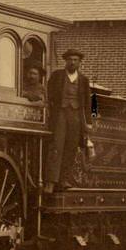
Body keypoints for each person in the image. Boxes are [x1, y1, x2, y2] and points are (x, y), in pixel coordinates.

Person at [43, 48, 90, 193]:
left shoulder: (84, 80)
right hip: (60, 114)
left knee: (71, 148)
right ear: (66, 61)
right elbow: (48, 94)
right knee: (57, 146)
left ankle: (63, 180)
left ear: (79, 63)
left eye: (75, 60)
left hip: (76, 116)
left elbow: (89, 102)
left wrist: (89, 121)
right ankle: (50, 181)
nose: (72, 62)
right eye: (70, 60)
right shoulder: (57, 76)